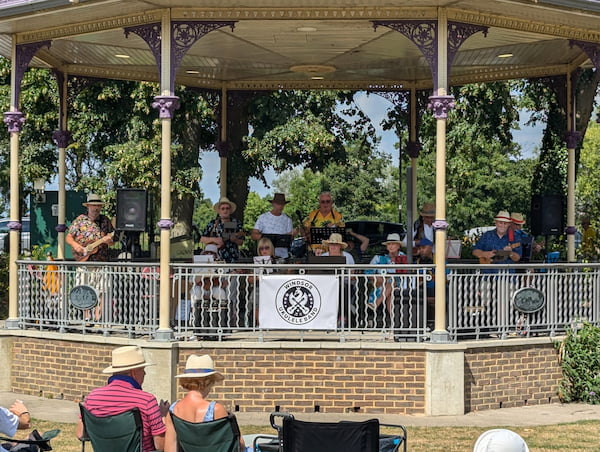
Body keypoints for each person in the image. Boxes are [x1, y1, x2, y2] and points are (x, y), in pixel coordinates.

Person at [76, 345, 168, 452]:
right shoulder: (147, 400)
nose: (144, 373)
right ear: (133, 372)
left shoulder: (92, 398)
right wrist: (163, 416)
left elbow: (80, 434)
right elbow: (160, 446)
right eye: (142, 369)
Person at [164, 354, 247, 452]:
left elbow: (170, 449)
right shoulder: (216, 409)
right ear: (208, 381)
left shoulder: (173, 411)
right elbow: (236, 445)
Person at [66, 193, 115, 322]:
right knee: (84, 289)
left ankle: (99, 318)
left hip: (101, 262)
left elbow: (112, 240)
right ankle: (87, 317)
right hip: (84, 262)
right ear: (88, 206)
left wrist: (109, 241)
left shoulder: (105, 221)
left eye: (98, 206)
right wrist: (77, 246)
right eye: (93, 205)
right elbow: (69, 237)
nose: (95, 208)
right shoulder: (80, 220)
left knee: (103, 290)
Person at [367, 233, 408, 317]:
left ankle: (376, 303)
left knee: (392, 282)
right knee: (390, 295)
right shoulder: (379, 257)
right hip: (380, 285)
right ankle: (395, 323)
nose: (391, 246)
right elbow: (368, 272)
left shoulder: (404, 257)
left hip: (400, 284)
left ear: (398, 246)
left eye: (393, 244)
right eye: (389, 244)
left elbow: (407, 273)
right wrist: (376, 278)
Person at [200, 196, 244, 263]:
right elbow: (202, 239)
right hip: (215, 258)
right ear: (219, 211)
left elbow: (241, 242)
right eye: (223, 209)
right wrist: (214, 240)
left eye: (227, 208)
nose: (225, 211)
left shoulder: (236, 223)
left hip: (232, 258)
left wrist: (235, 239)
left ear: (230, 210)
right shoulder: (212, 223)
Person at [251, 193, 294, 259]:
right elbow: (253, 235)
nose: (280, 206)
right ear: (273, 204)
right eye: (278, 204)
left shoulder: (288, 219)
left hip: (282, 256)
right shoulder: (263, 217)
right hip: (265, 255)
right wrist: (268, 238)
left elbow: (290, 239)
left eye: (282, 204)